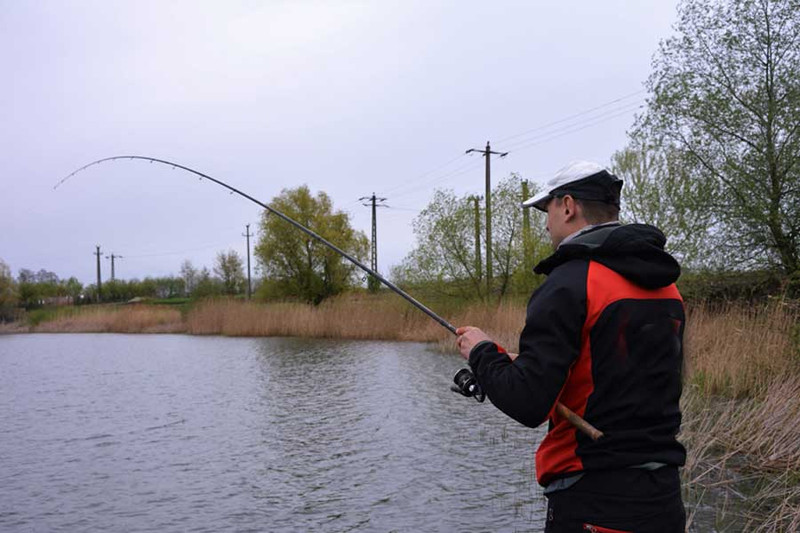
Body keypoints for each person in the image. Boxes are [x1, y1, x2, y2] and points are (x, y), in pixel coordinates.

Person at [456, 161, 686, 533]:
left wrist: (481, 351)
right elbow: (612, 373)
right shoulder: (666, 286)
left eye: (546, 210)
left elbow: (529, 403)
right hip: (663, 501)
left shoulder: (569, 282)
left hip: (593, 502)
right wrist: (517, 363)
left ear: (567, 206)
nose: (546, 223)